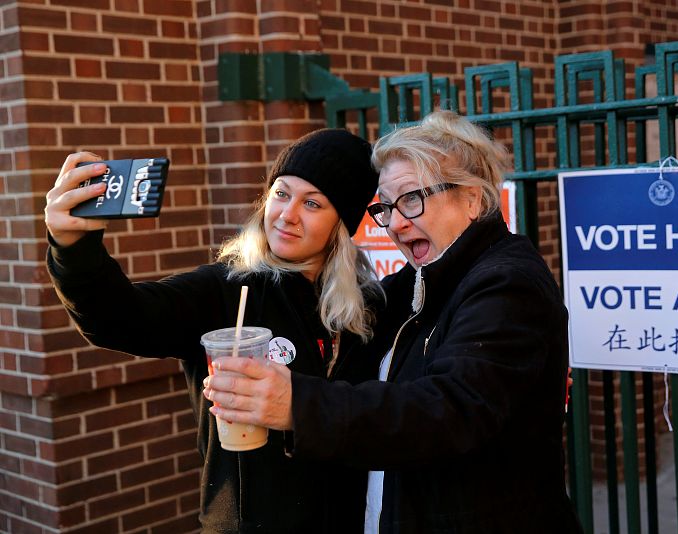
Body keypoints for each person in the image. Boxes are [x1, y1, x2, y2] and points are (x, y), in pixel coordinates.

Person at [203, 111, 584, 533]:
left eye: (412, 199)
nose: (397, 224)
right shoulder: (421, 281)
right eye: (386, 206)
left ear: (473, 200)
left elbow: (449, 409)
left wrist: (297, 404)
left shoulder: (507, 284)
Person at [45, 129, 385, 533]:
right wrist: (73, 249)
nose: (287, 214)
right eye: (281, 194)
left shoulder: (366, 309)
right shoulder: (224, 288)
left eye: (312, 203)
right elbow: (119, 318)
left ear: (342, 223)